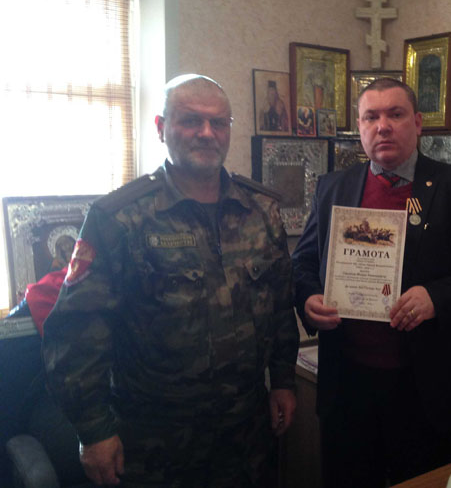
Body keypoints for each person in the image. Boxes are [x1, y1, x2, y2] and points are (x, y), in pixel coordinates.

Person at [42, 74, 299, 487]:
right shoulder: (118, 218)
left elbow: (280, 304)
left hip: (246, 433)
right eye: (191, 120)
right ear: (161, 128)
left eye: (218, 122)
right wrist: (94, 430)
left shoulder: (260, 211)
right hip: (155, 441)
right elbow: (77, 332)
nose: (206, 133)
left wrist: (283, 380)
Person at [292, 78, 451, 487]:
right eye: (371, 117)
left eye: (395, 114)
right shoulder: (332, 187)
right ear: (360, 128)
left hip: (423, 391)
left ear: (417, 123)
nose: (383, 126)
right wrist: (308, 297)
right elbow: (303, 262)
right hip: (348, 387)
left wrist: (437, 297)